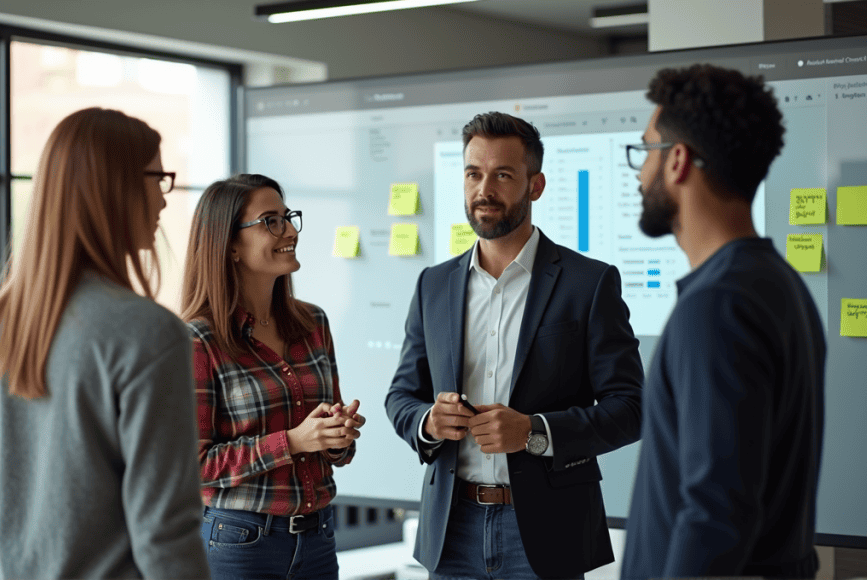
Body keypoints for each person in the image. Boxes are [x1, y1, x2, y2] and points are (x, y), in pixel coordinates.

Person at [385, 112, 644, 579]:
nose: (484, 189)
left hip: (547, 531)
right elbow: (401, 395)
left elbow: (631, 408)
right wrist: (428, 421)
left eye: (502, 175)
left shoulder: (589, 283)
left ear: (535, 185)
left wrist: (533, 432)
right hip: (452, 528)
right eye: (473, 173)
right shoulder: (433, 285)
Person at [0, 107, 209, 579]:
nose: (164, 200)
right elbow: (164, 533)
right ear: (116, 188)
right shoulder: (150, 334)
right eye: (158, 178)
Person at [621, 64, 827, 579]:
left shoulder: (716, 308)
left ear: (678, 162)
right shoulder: (778, 285)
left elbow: (716, 514)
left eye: (646, 152)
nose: (640, 173)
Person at [181, 174, 364, 580]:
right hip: (240, 544)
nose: (291, 231)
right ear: (229, 245)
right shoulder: (197, 339)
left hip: (318, 538)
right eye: (271, 221)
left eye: (289, 217)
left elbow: (336, 453)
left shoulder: (314, 322)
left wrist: (336, 436)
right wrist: (294, 441)